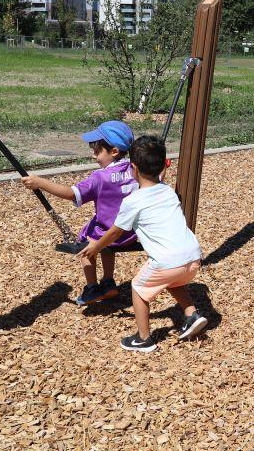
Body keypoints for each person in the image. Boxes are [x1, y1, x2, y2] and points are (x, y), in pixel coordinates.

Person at [79, 135, 207, 352]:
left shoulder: (133, 201)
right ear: (161, 165)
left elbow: (115, 232)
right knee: (173, 281)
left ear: (133, 168)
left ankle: (143, 338)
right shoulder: (168, 191)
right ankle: (191, 314)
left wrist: (96, 247)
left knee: (138, 288)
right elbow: (159, 178)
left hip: (167, 262)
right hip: (193, 258)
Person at [22, 121, 138, 306]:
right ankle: (108, 282)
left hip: (110, 234)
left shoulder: (100, 177)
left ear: (114, 151)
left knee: (86, 240)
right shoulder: (135, 169)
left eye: (98, 152)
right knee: (106, 237)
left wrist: (40, 183)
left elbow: (71, 193)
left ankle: (92, 288)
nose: (94, 156)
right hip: (130, 234)